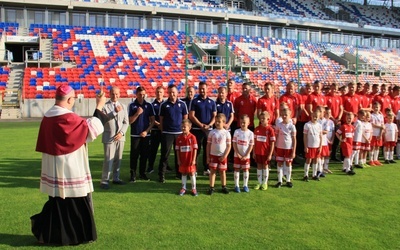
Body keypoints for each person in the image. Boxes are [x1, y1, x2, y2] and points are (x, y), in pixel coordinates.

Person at [31, 84, 107, 245]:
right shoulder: (68, 117)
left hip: (53, 165)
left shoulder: (48, 116)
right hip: (70, 166)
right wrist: (99, 106)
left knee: (57, 200)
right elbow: (91, 129)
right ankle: (78, 235)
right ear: (70, 99)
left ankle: (53, 235)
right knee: (75, 200)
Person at [100, 86, 129, 189]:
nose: (115, 96)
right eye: (113, 94)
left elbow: (126, 122)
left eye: (117, 94)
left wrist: (121, 133)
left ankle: (116, 178)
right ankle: (104, 180)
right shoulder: (104, 106)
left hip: (120, 137)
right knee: (108, 160)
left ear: (120, 94)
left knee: (118, 159)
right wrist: (114, 112)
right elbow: (104, 120)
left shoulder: (124, 106)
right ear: (110, 94)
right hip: (109, 137)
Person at [158, 85, 188, 183]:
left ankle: (179, 173)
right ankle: (161, 174)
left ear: (177, 92)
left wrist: (184, 131)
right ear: (168, 93)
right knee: (165, 155)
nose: (172, 94)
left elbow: (185, 119)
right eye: (170, 92)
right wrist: (163, 131)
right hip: (167, 133)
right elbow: (161, 120)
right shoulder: (164, 105)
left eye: (173, 92)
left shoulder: (182, 104)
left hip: (179, 133)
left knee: (178, 154)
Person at [189, 81, 216, 176]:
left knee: (207, 149)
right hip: (197, 130)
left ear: (207, 89)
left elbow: (214, 116)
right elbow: (191, 116)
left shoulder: (212, 102)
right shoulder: (195, 101)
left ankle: (206, 167)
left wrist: (209, 125)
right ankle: (194, 168)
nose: (202, 90)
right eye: (200, 89)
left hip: (208, 130)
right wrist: (201, 125)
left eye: (203, 89)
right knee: (197, 149)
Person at [128, 86, 155, 182]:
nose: (142, 96)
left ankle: (142, 173)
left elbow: (152, 121)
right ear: (136, 94)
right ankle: (133, 174)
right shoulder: (132, 105)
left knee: (144, 155)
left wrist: (146, 131)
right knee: (134, 155)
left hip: (146, 135)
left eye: (143, 94)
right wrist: (137, 113)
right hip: (135, 135)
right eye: (140, 94)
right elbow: (130, 121)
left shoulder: (149, 105)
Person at [206, 113, 231, 195]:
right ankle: (211, 187)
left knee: (222, 172)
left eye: (219, 122)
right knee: (212, 171)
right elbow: (208, 145)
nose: (217, 123)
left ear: (224, 123)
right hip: (213, 155)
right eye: (216, 121)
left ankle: (224, 186)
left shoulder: (226, 133)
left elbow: (228, 146)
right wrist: (208, 156)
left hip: (222, 156)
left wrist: (224, 156)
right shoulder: (212, 132)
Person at [253, 111, 275, 191]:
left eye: (264, 118)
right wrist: (254, 152)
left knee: (265, 166)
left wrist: (270, 154)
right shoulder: (257, 129)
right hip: (258, 152)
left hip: (266, 152)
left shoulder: (270, 130)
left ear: (268, 119)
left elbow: (272, 143)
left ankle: (265, 183)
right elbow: (254, 142)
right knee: (259, 166)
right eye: (261, 118)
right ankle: (259, 182)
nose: (262, 120)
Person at [175, 119, 198, 196]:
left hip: (190, 159)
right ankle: (183, 188)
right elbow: (177, 150)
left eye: (185, 127)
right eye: (182, 127)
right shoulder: (179, 138)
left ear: (189, 127)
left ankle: (194, 188)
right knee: (184, 173)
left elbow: (195, 149)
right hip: (182, 160)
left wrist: (194, 159)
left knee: (191, 173)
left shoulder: (193, 137)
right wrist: (178, 159)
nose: (183, 128)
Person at [232, 115, 254, 193]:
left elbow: (251, 145)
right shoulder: (236, 131)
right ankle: (236, 185)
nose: (243, 124)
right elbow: (234, 143)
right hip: (237, 155)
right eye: (241, 123)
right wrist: (237, 153)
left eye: (244, 123)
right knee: (237, 169)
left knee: (246, 170)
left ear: (249, 123)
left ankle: (245, 185)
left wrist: (246, 155)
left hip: (246, 156)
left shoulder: (250, 133)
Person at [275, 108, 296, 188]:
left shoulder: (292, 126)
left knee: (288, 163)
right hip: (279, 147)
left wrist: (293, 151)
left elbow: (294, 139)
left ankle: (288, 180)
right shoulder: (279, 125)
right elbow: (276, 136)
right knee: (279, 163)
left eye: (286, 115)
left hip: (288, 148)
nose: (284, 116)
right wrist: (274, 148)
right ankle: (279, 181)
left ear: (290, 115)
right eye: (282, 114)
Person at [147, 86, 164, 174]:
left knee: (165, 150)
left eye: (160, 92)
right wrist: (158, 124)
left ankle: (165, 166)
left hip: (164, 131)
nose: (159, 94)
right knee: (153, 149)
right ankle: (150, 166)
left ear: (163, 93)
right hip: (155, 130)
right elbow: (151, 118)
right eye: (157, 92)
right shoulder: (152, 105)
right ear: (155, 93)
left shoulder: (165, 104)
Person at [303, 108, 323, 181]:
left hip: (317, 146)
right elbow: (305, 136)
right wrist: (306, 146)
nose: (315, 118)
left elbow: (321, 137)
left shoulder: (319, 125)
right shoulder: (307, 125)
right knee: (308, 160)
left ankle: (314, 175)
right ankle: (306, 175)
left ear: (319, 117)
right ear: (311, 115)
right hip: (310, 146)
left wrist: (320, 146)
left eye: (316, 116)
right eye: (314, 116)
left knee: (316, 160)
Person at [369, 101, 384, 166]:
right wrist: (380, 126)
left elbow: (382, 125)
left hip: (379, 133)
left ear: (380, 108)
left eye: (377, 107)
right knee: (372, 146)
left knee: (377, 147)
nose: (376, 108)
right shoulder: (371, 115)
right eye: (374, 107)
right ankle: (370, 160)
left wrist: (380, 134)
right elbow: (372, 124)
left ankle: (375, 159)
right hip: (373, 133)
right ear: (372, 108)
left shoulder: (381, 116)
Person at [321, 107, 335, 174]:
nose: (328, 114)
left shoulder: (332, 122)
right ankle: (321, 168)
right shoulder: (323, 122)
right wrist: (327, 140)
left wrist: (332, 139)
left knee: (328, 154)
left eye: (329, 113)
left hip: (330, 141)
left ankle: (326, 168)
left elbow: (333, 131)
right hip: (324, 141)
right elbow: (323, 133)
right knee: (323, 155)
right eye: (327, 113)